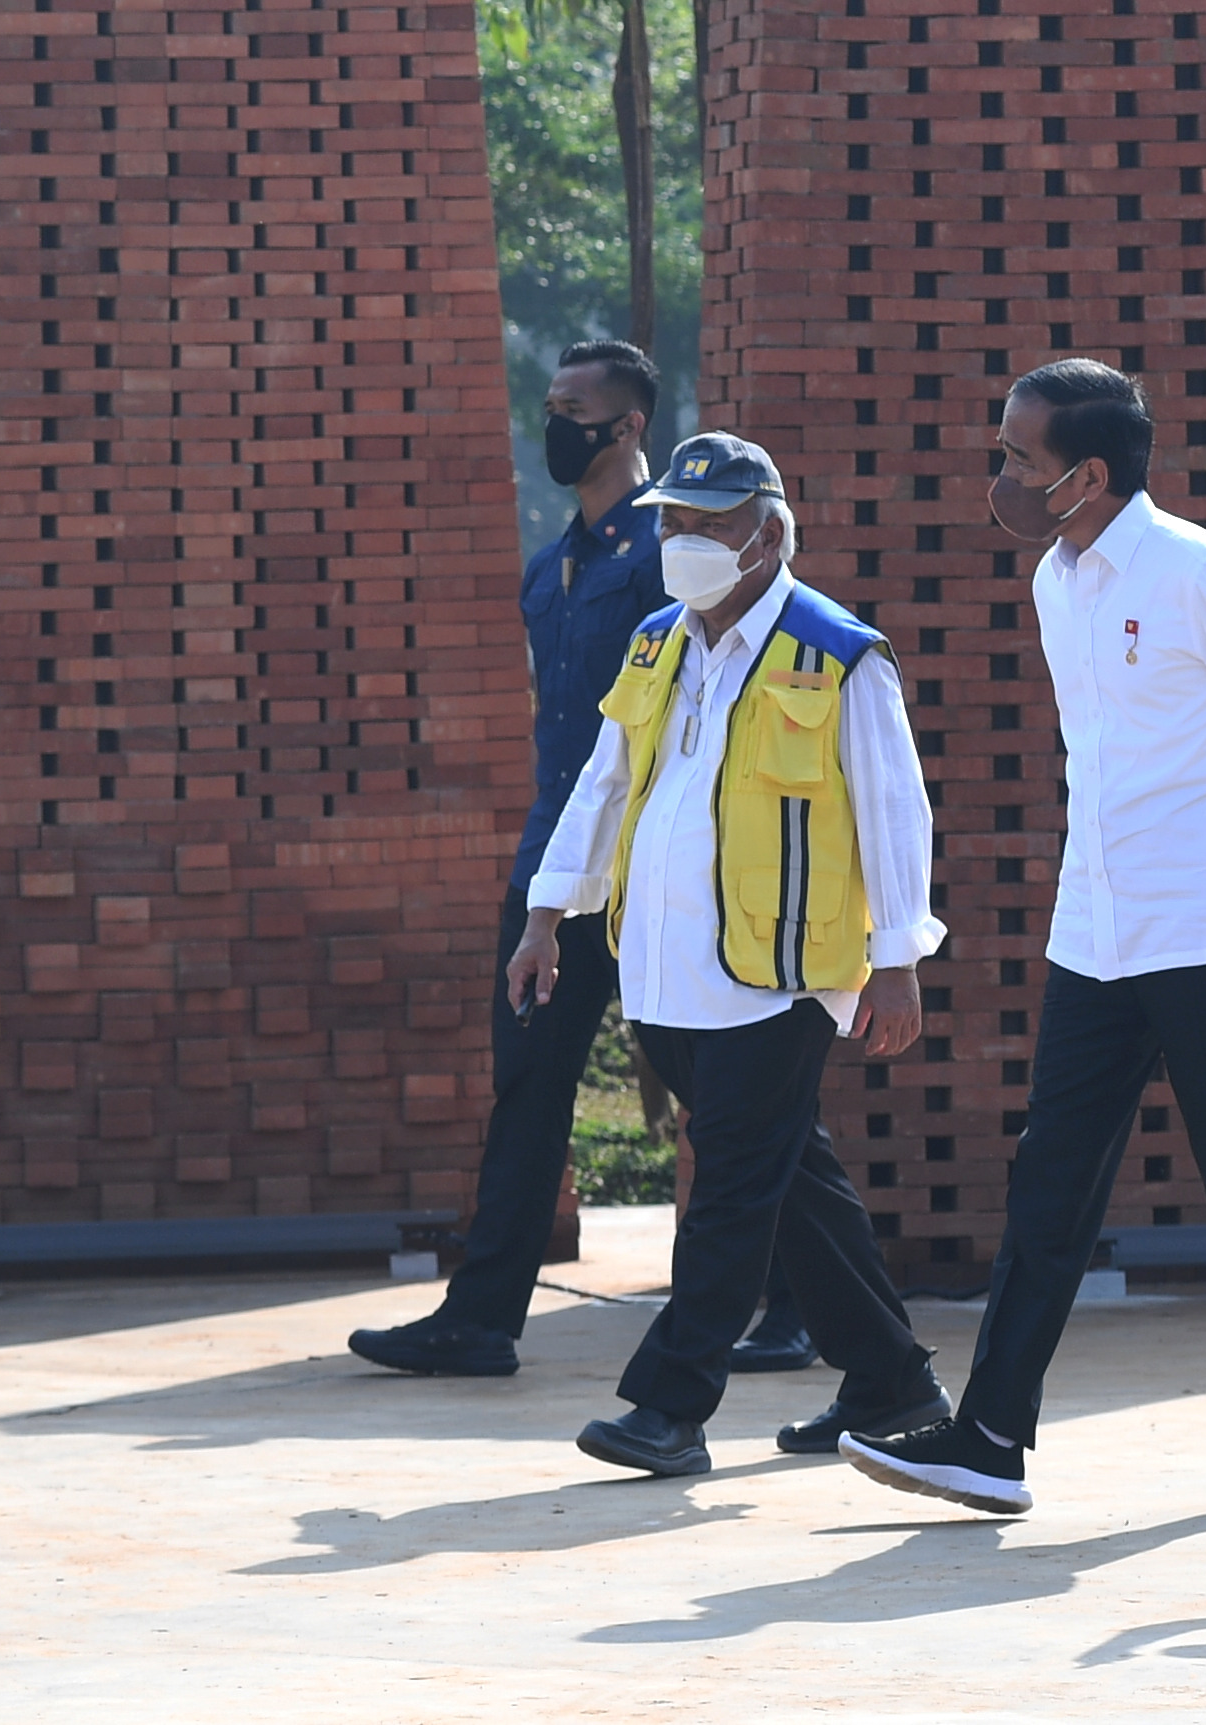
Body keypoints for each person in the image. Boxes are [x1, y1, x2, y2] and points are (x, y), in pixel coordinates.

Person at [846, 358, 1206, 1520]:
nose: (999, 477)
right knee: (1048, 1185)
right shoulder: (1055, 581)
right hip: (1095, 930)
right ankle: (991, 1439)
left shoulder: (1192, 569)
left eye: (1018, 458)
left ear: (1089, 474)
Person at [505, 434, 950, 1477]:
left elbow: (894, 812)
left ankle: (669, 1406)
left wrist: (897, 957)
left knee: (735, 1193)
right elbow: (604, 784)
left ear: (770, 534)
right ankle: (894, 1385)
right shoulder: (658, 642)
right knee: (790, 1179)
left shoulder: (837, 652)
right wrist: (546, 915)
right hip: (667, 970)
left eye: (708, 524)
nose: (684, 541)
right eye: (673, 521)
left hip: (782, 975)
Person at [348, 342, 667, 1379]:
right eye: (548, 404)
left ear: (626, 426)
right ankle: (481, 1320)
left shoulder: (673, 550)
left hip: (663, 867)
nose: (554, 424)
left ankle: (800, 1308)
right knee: (527, 1088)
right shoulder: (553, 563)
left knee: (727, 1092)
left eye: (574, 408)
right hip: (558, 870)